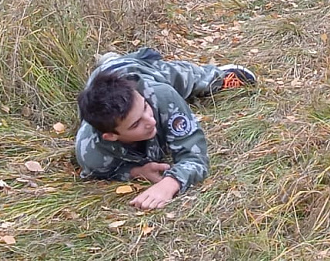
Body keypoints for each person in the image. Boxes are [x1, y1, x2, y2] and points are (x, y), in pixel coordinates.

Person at [75, 47, 256, 210]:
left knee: (195, 80)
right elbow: (101, 171)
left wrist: (170, 183)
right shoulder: (90, 153)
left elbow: (195, 156)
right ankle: (110, 60)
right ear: (111, 136)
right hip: (101, 80)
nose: (150, 121)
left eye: (146, 108)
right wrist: (135, 172)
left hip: (141, 70)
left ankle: (219, 76)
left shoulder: (159, 94)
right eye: (136, 124)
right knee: (110, 71)